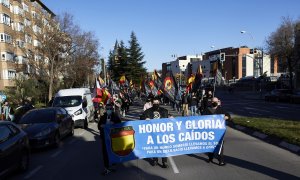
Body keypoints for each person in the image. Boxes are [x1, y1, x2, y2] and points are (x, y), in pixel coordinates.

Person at [141, 96, 169, 168]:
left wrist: (171, 117)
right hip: (152, 132)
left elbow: (168, 117)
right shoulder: (148, 111)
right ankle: (155, 160)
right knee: (154, 146)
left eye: (157, 102)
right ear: (152, 103)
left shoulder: (164, 111)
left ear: (159, 102)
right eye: (154, 103)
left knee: (163, 147)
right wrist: (145, 118)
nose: (156, 104)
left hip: (162, 132)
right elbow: (141, 117)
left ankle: (164, 161)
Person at [202, 97, 230, 166]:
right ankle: (210, 157)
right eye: (213, 101)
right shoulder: (207, 110)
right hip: (209, 131)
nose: (214, 102)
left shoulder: (221, 110)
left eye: (215, 101)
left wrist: (227, 117)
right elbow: (201, 119)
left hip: (218, 132)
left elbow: (228, 116)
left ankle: (221, 160)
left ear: (218, 102)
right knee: (210, 145)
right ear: (211, 102)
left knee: (219, 146)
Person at [97, 103, 122, 175]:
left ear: (112, 109)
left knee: (113, 151)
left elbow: (120, 125)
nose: (109, 110)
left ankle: (113, 163)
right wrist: (102, 126)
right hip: (105, 137)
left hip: (113, 138)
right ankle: (106, 167)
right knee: (105, 152)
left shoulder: (115, 117)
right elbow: (99, 126)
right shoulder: (103, 117)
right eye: (107, 109)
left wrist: (114, 124)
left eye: (110, 109)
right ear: (105, 109)